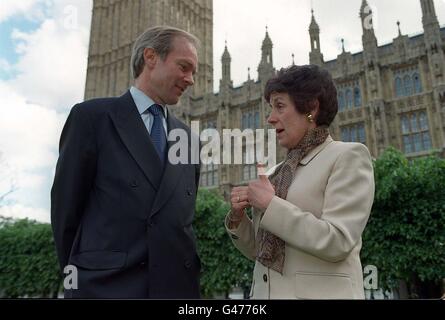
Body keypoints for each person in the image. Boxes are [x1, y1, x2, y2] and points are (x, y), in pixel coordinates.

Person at [51, 26, 201, 299]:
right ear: (151, 57)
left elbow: (182, 221)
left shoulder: (189, 139)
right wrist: (82, 279)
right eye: (184, 67)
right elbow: (65, 214)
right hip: (106, 289)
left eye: (194, 72)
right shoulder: (91, 118)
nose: (191, 79)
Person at [226, 65, 375, 299]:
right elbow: (261, 251)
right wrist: (238, 219)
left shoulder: (347, 157)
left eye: (280, 106)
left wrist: (270, 204)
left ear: (311, 108)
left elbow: (337, 241)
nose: (270, 118)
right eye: (270, 108)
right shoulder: (278, 171)